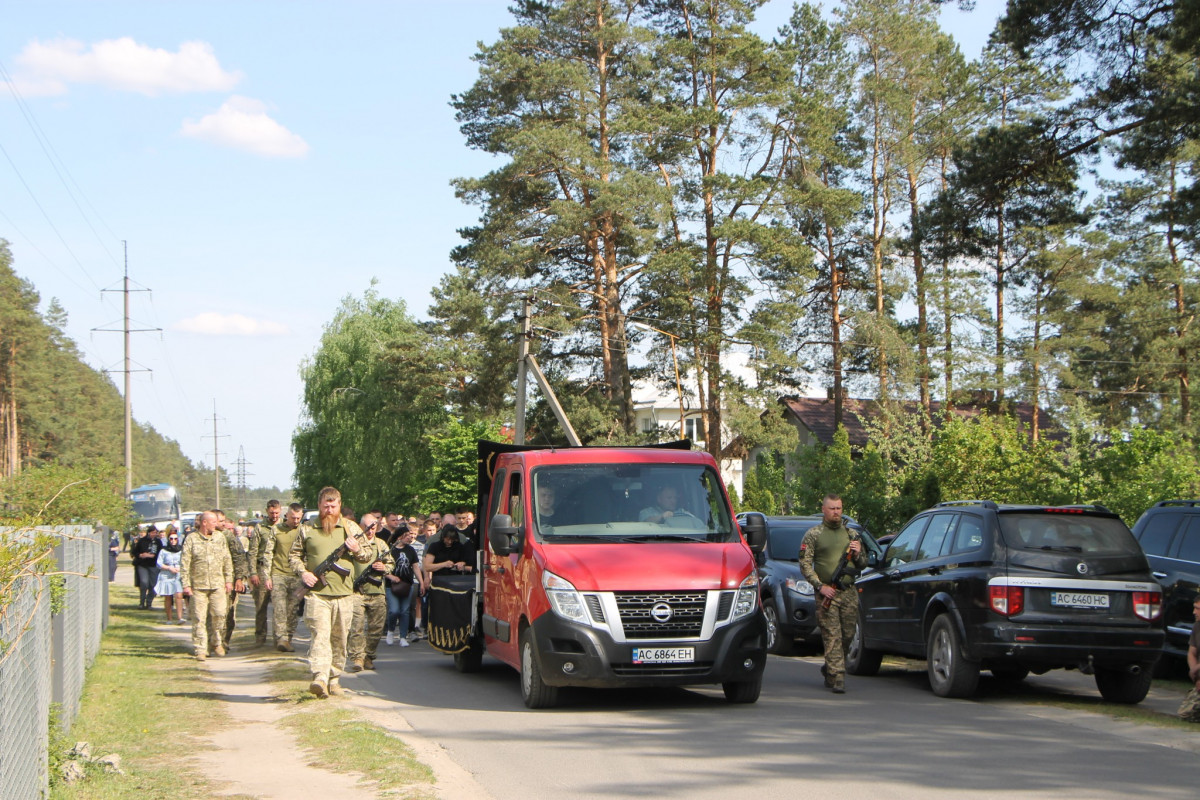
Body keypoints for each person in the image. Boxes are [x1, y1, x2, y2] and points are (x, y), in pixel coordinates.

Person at [289, 486, 371, 698]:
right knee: (320, 636)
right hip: (317, 595)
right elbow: (294, 556)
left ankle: (334, 679)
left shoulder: (350, 527)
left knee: (340, 639)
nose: (329, 510)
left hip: (344, 594)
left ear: (339, 506)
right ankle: (320, 677)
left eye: (333, 506)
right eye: (325, 505)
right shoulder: (307, 529)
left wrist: (357, 549)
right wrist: (303, 573)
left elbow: (367, 556)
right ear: (319, 505)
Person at [799, 494, 867, 694]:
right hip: (827, 593)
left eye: (839, 508)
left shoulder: (852, 534)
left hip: (849, 592)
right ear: (824, 509)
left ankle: (830, 667)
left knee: (848, 635)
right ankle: (837, 677)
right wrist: (820, 586)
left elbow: (863, 564)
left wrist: (858, 553)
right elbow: (804, 564)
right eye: (832, 508)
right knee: (832, 636)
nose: (836, 512)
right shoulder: (814, 534)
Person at [179, 511, 234, 660]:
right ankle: (200, 649)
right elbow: (185, 563)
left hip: (218, 584)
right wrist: (186, 584)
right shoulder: (191, 539)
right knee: (199, 618)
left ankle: (216, 642)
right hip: (198, 586)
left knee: (220, 614)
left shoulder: (220, 538)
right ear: (204, 523)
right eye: (213, 522)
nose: (216, 525)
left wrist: (229, 580)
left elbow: (227, 560)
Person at [346, 513, 393, 671]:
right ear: (360, 526)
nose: (370, 530)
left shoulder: (381, 545)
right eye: (367, 527)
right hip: (357, 592)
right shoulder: (353, 545)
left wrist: (384, 568)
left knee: (376, 628)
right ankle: (358, 658)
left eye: (373, 527)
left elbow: (391, 564)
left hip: (377, 592)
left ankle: (369, 655)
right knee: (356, 627)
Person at [258, 502, 307, 652]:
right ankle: (281, 639)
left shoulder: (304, 531)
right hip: (278, 574)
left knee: (292, 609)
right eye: (293, 517)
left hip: (296, 575)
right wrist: (267, 576)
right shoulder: (276, 530)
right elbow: (268, 554)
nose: (296, 521)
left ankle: (288, 638)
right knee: (279, 608)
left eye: (299, 518)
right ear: (287, 515)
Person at [211, 510, 251, 651]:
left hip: (229, 581)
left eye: (224, 521)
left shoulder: (229, 537)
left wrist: (239, 579)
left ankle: (224, 641)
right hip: (211, 582)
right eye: (220, 521)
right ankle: (212, 641)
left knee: (228, 613)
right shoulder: (204, 536)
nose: (223, 524)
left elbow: (240, 558)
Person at [247, 500, 283, 646]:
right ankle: (260, 636)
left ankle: (279, 637)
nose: (274, 516)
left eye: (276, 513)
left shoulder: (284, 527)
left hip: (278, 568)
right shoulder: (260, 527)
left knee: (279, 606)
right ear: (267, 511)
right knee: (261, 605)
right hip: (262, 569)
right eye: (271, 513)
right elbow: (252, 552)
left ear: (280, 511)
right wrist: (253, 573)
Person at [385, 524, 423, 647]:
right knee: (394, 610)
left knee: (405, 611)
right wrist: (391, 577)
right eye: (406, 535)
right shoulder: (390, 550)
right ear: (399, 537)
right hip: (392, 585)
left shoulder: (410, 550)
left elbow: (416, 567)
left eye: (410, 535)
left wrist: (421, 582)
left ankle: (403, 636)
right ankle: (390, 631)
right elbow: (383, 568)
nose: (409, 537)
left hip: (407, 584)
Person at [155, 531, 186, 624]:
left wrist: (180, 568)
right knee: (168, 596)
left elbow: (186, 561)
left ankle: (180, 618)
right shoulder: (163, 550)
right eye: (171, 539)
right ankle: (169, 619)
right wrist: (169, 568)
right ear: (168, 540)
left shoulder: (181, 550)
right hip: (166, 574)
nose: (173, 541)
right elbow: (159, 563)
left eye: (175, 539)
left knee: (179, 595)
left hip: (178, 574)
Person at [1179, 596, 1200, 722]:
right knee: (1185, 713)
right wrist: (1196, 675)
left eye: (1197, 609)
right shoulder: (1197, 627)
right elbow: (1192, 653)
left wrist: (1197, 668)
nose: (1194, 612)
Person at [131, 525, 164, 609]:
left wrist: (152, 556)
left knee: (153, 584)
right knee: (144, 583)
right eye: (153, 532)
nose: (155, 534)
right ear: (149, 533)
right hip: (142, 565)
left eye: (156, 533)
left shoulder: (158, 542)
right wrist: (140, 555)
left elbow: (161, 553)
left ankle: (149, 603)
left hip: (153, 565)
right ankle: (141, 603)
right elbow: (134, 552)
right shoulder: (142, 541)